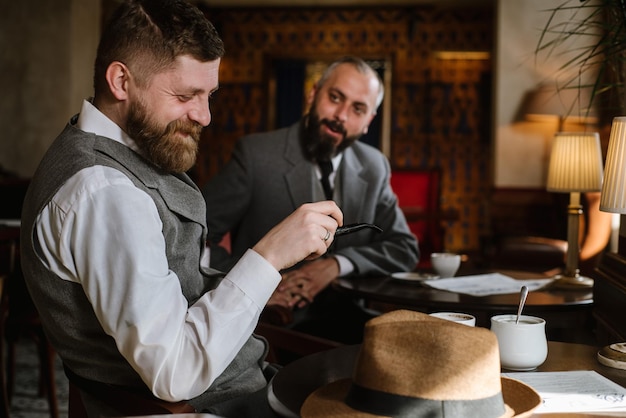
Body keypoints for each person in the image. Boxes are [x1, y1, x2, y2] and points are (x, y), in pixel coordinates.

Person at [19, 1, 343, 417]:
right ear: (120, 80)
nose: (205, 116)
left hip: (240, 386)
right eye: (185, 95)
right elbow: (174, 372)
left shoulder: (103, 151)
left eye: (209, 95)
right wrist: (270, 256)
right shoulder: (106, 194)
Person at [202, 56, 419, 343]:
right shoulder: (256, 155)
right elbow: (196, 234)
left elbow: (404, 247)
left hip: (350, 326)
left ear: (368, 122)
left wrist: (337, 264)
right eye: (335, 97)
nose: (341, 115)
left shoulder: (375, 165)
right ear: (313, 93)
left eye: (357, 109)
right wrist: (249, 284)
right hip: (268, 329)